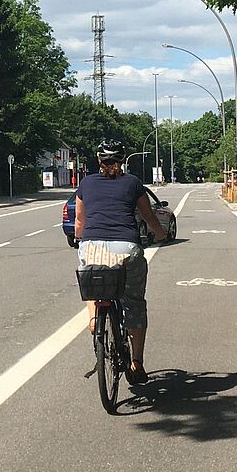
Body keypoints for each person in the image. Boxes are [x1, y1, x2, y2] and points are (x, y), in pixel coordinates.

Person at [74, 139, 170, 385]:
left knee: (93, 287)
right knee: (134, 303)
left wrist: (80, 238)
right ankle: (136, 363)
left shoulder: (85, 183)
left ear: (99, 161)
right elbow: (148, 216)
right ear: (122, 160)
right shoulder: (133, 183)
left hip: (92, 246)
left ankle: (95, 319)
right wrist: (159, 235)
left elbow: (79, 221)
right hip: (126, 247)